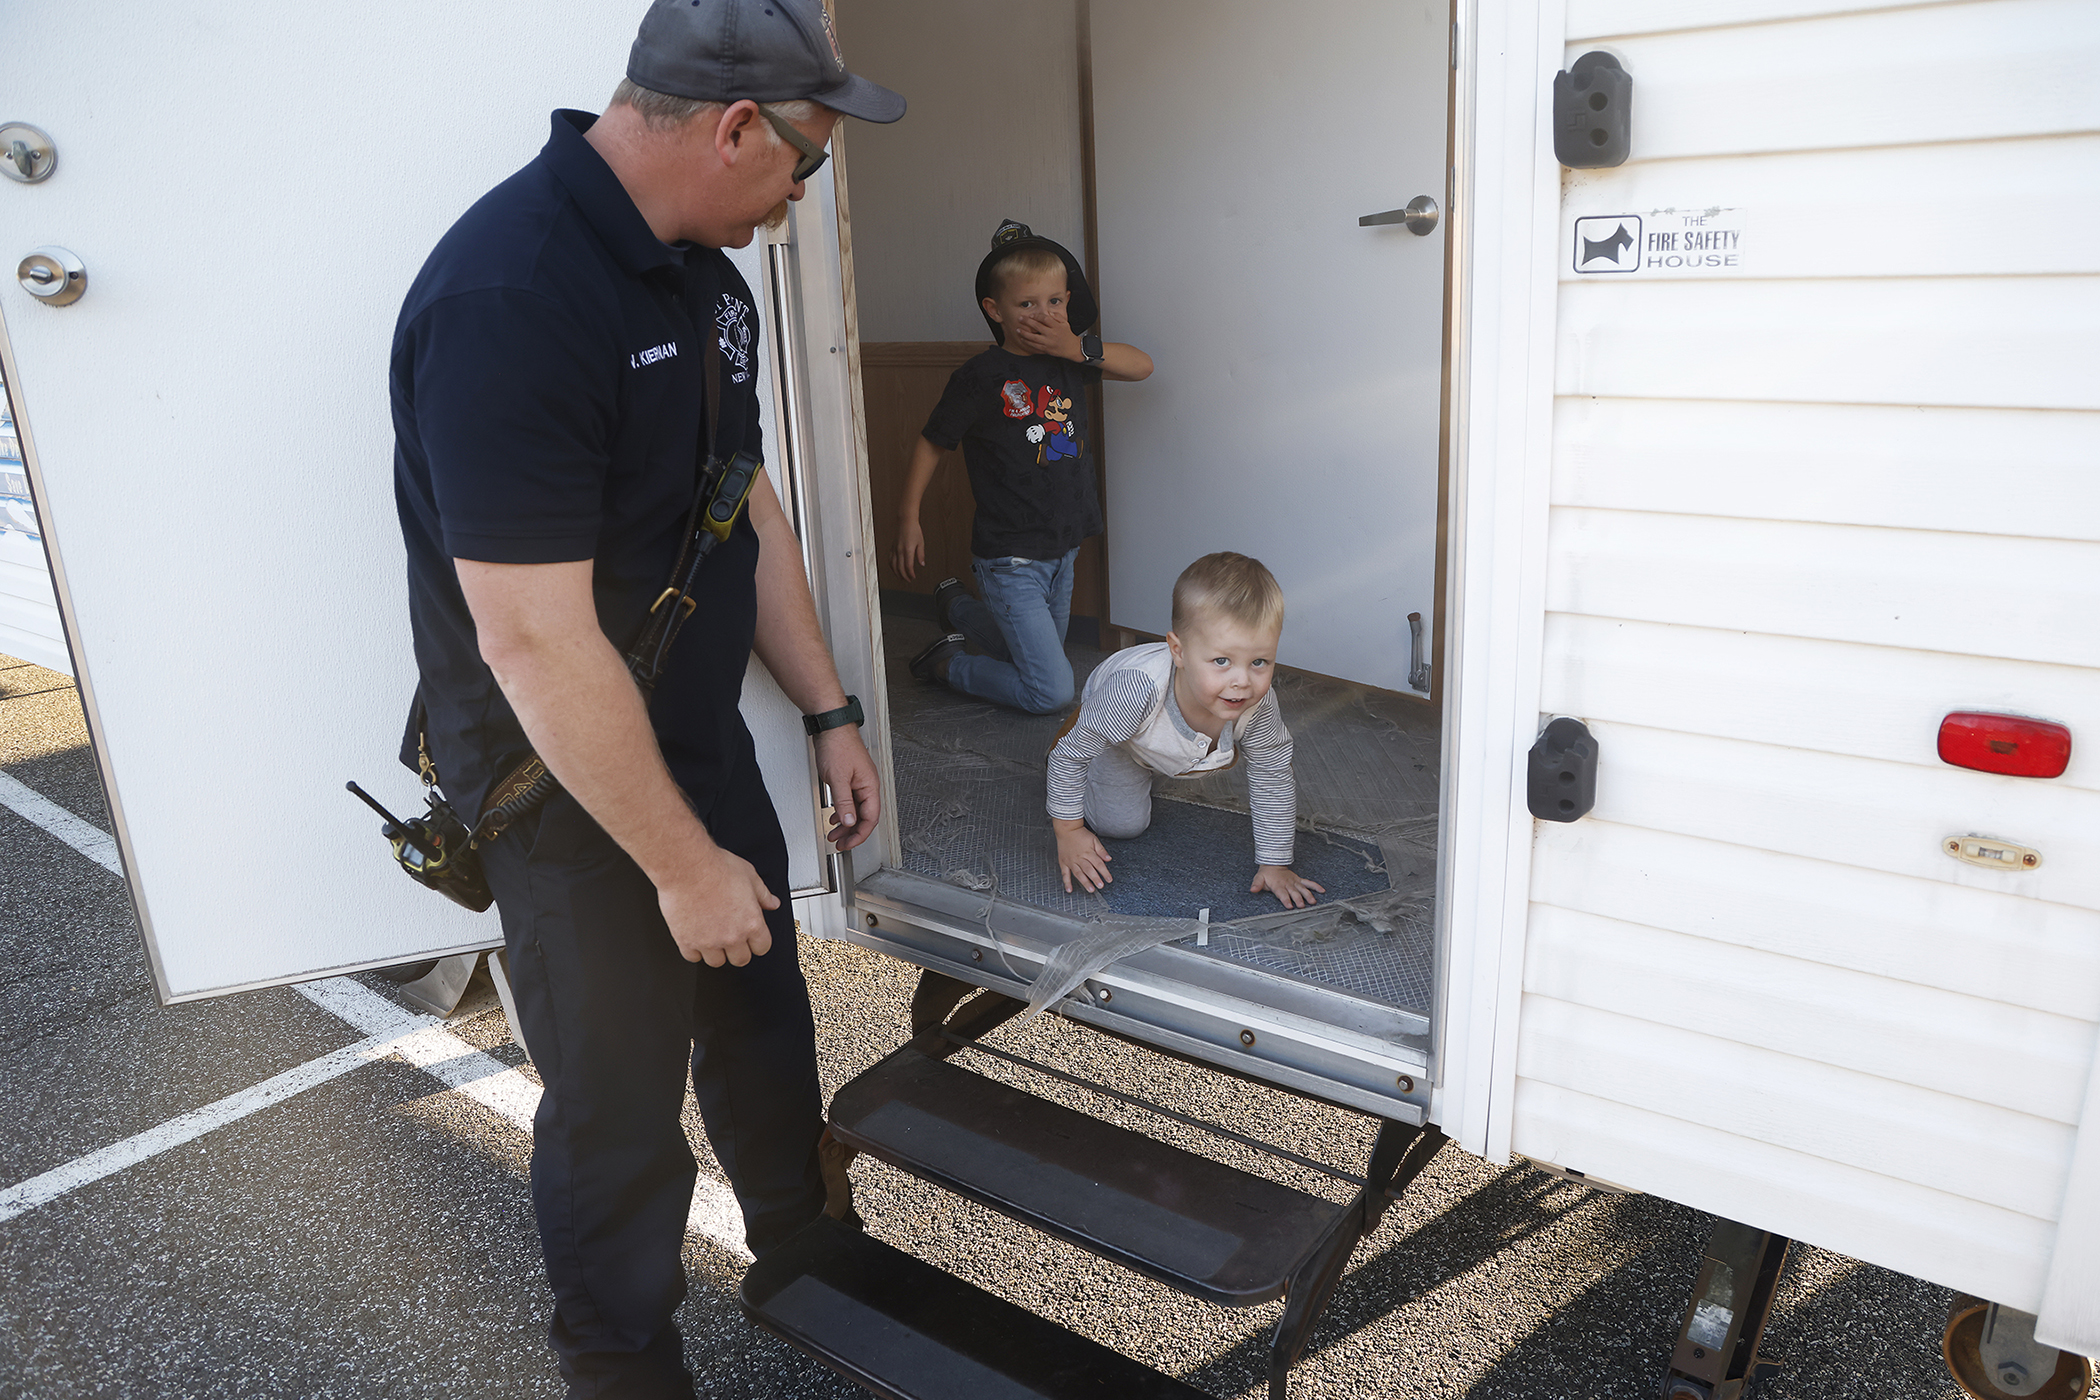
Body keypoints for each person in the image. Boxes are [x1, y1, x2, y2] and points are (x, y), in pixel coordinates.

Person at [387, 2, 901, 1395]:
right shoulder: (516, 300)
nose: (802, 198)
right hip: (562, 790)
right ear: (738, 127)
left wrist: (829, 707)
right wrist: (680, 869)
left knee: (763, 1027)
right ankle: (621, 1362)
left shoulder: (705, 280)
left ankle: (804, 1254)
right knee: (616, 1114)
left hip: (691, 741)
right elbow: (537, 644)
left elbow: (742, 506)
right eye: (805, 163)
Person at [889, 220, 1154, 713]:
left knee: (1029, 655)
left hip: (1063, 549)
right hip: (1010, 557)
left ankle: (958, 608)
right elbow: (932, 443)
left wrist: (1076, 346)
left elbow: (1142, 366)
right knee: (1050, 690)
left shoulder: (1071, 359)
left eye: (1055, 302)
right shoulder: (981, 376)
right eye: (1027, 304)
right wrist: (908, 517)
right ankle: (947, 665)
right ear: (996, 310)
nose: (1043, 314)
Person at [1045, 552, 1325, 909]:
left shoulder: (1257, 702)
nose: (1241, 681)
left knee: (1242, 748)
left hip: (1165, 734)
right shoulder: (1134, 692)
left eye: (1259, 662)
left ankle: (1175, 755)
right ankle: (1109, 752)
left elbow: (1272, 773)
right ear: (1177, 651)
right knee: (1123, 825)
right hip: (1121, 735)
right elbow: (1070, 756)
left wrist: (1275, 863)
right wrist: (1068, 831)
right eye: (1221, 661)